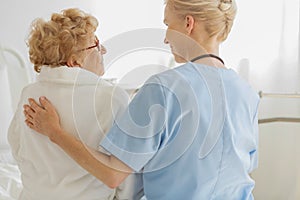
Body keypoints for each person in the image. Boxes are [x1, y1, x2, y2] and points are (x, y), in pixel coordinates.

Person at [23, 0, 260, 199]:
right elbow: (243, 167)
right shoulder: (247, 92)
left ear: (188, 24)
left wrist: (54, 131)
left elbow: (112, 175)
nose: (166, 38)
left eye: (167, 25)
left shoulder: (164, 87)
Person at [8, 8, 143, 200]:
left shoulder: (29, 94)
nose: (103, 49)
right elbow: (125, 180)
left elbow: (18, 149)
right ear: (73, 61)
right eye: (95, 44)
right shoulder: (112, 97)